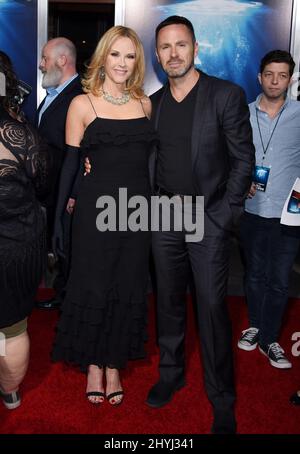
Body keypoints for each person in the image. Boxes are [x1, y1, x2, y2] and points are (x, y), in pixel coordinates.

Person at [146, 16, 254, 434]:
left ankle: (222, 397)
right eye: (165, 47)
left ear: (195, 48)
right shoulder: (152, 104)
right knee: (169, 303)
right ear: (157, 54)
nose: (173, 54)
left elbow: (243, 160)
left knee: (211, 309)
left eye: (181, 45)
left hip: (208, 219)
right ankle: (171, 373)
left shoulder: (224, 95)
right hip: (163, 219)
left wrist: (224, 216)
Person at [52, 26, 155, 406]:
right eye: (115, 55)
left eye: (129, 56)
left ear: (137, 61)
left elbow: (148, 165)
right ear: (103, 57)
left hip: (136, 212)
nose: (122, 63)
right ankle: (94, 364)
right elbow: (71, 165)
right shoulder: (83, 104)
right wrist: (60, 222)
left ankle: (114, 363)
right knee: (93, 284)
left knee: (127, 285)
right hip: (94, 211)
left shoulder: (145, 104)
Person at [237, 50, 300, 370]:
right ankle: (257, 324)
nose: (276, 81)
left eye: (283, 75)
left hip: (290, 214)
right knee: (254, 274)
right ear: (260, 77)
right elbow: (231, 157)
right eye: (270, 74)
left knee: (279, 279)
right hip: (252, 209)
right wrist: (241, 180)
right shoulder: (242, 114)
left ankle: (270, 337)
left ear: (290, 79)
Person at [0, 51, 50, 409]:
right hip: (18, 243)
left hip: (16, 241)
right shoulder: (22, 134)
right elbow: (42, 185)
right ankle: (11, 393)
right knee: (12, 325)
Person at [36, 37, 83, 309]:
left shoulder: (79, 95)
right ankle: (62, 294)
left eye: (45, 58)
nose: (41, 65)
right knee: (61, 246)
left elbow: (82, 152)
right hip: (50, 190)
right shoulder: (52, 95)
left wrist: (73, 193)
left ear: (62, 60)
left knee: (69, 248)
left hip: (67, 192)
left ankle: (70, 303)